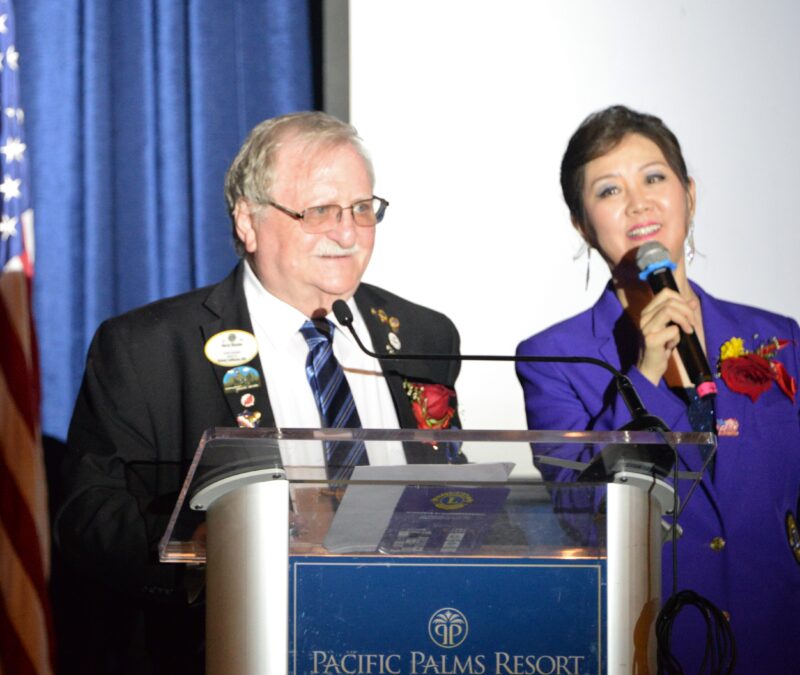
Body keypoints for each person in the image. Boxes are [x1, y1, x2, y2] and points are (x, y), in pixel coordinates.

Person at [54, 111, 463, 675]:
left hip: (411, 641)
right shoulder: (148, 348)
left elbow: (449, 484)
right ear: (248, 222)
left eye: (362, 209)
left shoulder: (422, 336)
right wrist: (213, 547)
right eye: (320, 211)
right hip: (235, 646)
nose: (348, 234)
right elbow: (89, 517)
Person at [516, 105, 800, 672]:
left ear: (689, 195)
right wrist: (644, 374)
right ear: (581, 224)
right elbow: (583, 511)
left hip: (780, 642)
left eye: (653, 178)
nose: (638, 202)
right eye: (609, 190)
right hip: (653, 645)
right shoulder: (552, 359)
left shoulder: (777, 338)